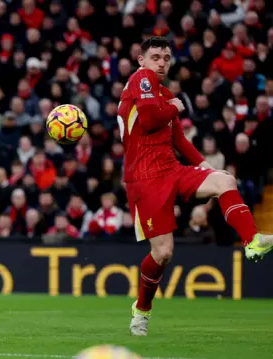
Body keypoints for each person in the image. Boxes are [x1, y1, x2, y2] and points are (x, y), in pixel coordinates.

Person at [116, 37, 272, 336]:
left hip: (171, 170)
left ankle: (251, 241)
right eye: (155, 57)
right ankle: (142, 310)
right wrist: (175, 107)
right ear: (141, 60)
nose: (161, 62)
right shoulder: (141, 79)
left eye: (166, 57)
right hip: (145, 178)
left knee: (225, 180)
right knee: (163, 253)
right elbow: (148, 121)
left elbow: (179, 141)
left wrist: (205, 166)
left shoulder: (163, 93)